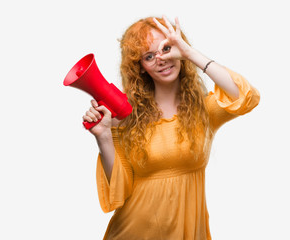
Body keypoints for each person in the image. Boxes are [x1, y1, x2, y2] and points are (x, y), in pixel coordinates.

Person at [82, 15, 260, 240]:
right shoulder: (128, 116)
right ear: (141, 68)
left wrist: (189, 53)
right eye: (149, 56)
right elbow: (119, 191)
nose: (161, 59)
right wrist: (104, 136)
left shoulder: (203, 111)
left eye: (167, 49)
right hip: (134, 232)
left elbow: (246, 96)